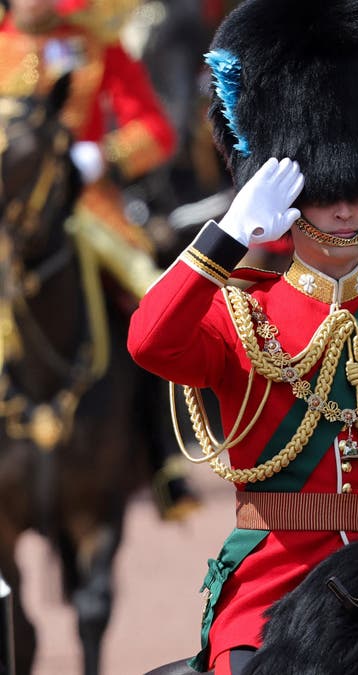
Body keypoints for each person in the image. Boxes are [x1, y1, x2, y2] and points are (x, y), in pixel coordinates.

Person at [127, 1, 358, 673]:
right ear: (292, 201)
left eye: (355, 189)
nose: (346, 206)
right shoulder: (240, 313)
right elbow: (151, 340)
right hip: (276, 588)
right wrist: (227, 235)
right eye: (324, 192)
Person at [0, 0, 202, 520]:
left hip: (88, 205)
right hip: (10, 210)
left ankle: (161, 459)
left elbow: (155, 131)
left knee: (153, 295)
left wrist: (100, 155)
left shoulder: (96, 44)